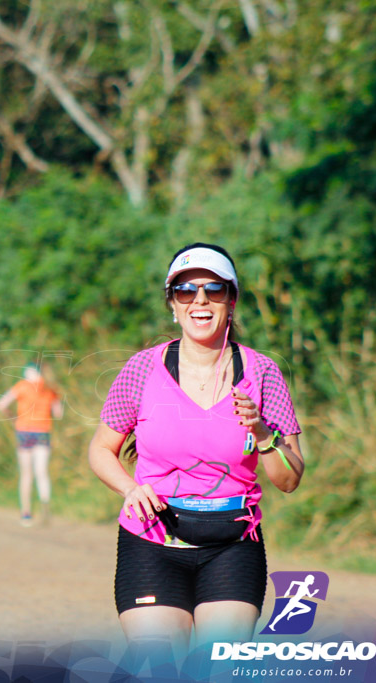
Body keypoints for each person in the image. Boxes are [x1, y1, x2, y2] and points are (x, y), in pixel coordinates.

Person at [87, 243, 304, 660]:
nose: (199, 300)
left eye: (214, 289)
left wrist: (261, 432)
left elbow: (290, 479)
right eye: (185, 290)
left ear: (232, 299)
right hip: (151, 541)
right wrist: (129, 489)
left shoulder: (263, 372)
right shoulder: (141, 368)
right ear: (172, 303)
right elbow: (100, 449)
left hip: (232, 545)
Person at [0, 362, 62, 526]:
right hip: (43, 431)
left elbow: (1, 404)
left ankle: (26, 513)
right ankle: (45, 508)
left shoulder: (22, 386)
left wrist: (13, 418)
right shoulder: (50, 388)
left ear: (28, 372)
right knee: (42, 472)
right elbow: (59, 413)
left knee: (26, 474)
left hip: (24, 431)